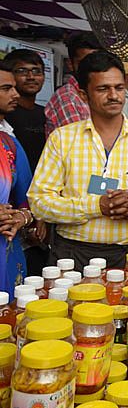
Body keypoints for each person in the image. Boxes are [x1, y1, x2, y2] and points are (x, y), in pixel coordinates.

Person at [28, 51, 128, 271]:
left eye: (119, 88)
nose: (113, 96)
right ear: (83, 95)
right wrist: (96, 206)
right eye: (103, 89)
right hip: (72, 254)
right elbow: (39, 203)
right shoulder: (62, 139)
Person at [0, 61, 37, 296]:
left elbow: (31, 200)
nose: (15, 93)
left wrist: (19, 218)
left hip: (6, 248)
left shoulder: (9, 144)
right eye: (6, 88)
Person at [45, 32, 102, 136]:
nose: (91, 67)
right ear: (70, 64)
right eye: (84, 62)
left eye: (96, 61)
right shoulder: (67, 97)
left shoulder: (98, 92)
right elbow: (80, 143)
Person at [3, 49, 47, 170]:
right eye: (22, 71)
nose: (31, 77)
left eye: (36, 71)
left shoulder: (46, 113)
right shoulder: (4, 114)